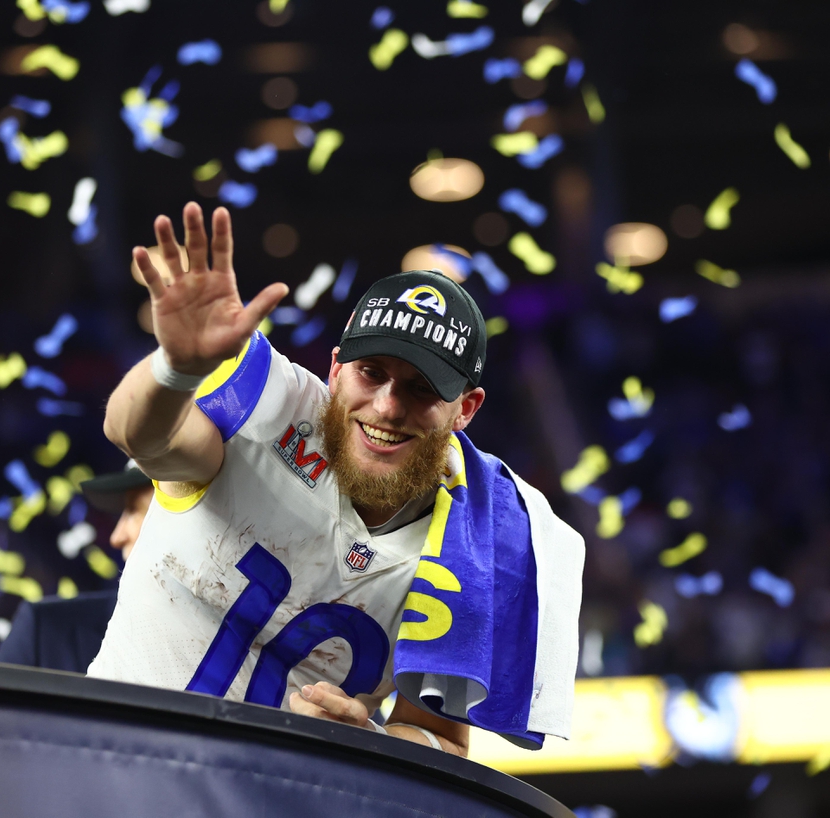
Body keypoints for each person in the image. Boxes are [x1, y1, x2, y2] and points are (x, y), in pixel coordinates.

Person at [90, 202, 584, 757]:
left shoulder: (481, 536)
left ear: (465, 409)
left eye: (422, 388)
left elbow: (443, 737)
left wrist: (371, 743)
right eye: (372, 373)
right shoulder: (269, 408)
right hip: (115, 769)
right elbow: (141, 436)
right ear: (335, 369)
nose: (388, 405)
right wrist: (173, 369)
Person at [0, 461, 152, 672]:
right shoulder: (43, 634)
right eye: (122, 512)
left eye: (134, 510)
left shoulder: (209, 651)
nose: (117, 537)